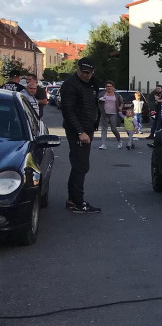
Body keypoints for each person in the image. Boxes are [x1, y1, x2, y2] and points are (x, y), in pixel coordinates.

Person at [59, 58, 102, 213]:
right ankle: (77, 202)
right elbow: (68, 111)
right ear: (77, 69)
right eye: (83, 72)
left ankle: (72, 200)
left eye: (89, 73)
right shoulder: (70, 85)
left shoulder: (92, 82)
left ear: (92, 72)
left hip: (87, 128)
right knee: (80, 165)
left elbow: (93, 103)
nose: (85, 75)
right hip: (77, 130)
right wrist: (80, 132)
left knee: (80, 165)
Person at [97, 82, 123, 149]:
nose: (109, 87)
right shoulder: (102, 93)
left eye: (110, 86)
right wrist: (99, 100)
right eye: (107, 86)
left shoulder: (116, 95)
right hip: (104, 113)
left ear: (113, 87)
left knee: (114, 129)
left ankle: (120, 141)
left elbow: (121, 102)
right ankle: (103, 144)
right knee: (104, 128)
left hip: (113, 113)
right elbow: (97, 100)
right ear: (106, 87)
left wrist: (120, 107)